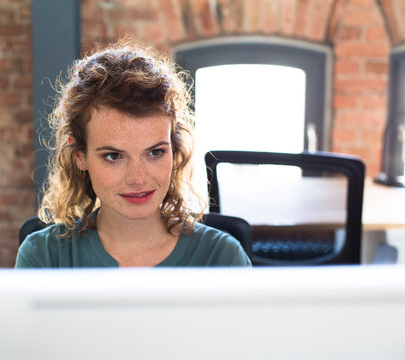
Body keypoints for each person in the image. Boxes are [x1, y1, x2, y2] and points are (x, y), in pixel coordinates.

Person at [15, 41, 251, 268]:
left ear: (175, 150)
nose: (138, 178)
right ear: (80, 156)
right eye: (114, 156)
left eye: (155, 152)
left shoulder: (222, 257)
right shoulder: (44, 256)